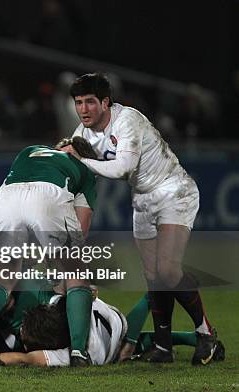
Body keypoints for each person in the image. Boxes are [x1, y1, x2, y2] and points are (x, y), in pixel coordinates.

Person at [66, 73, 218, 365]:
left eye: (89, 102)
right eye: (78, 102)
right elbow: (69, 153)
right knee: (153, 277)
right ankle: (163, 347)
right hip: (143, 200)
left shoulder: (128, 121)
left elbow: (123, 167)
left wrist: (81, 160)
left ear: (106, 102)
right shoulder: (83, 134)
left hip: (174, 189)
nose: (83, 109)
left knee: (168, 271)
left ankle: (206, 334)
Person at [0, 137, 99, 366]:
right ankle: (79, 353)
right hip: (49, 195)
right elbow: (82, 227)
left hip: (6, 197)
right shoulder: (85, 171)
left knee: (5, 273)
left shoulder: (30, 150)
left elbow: (23, 197)